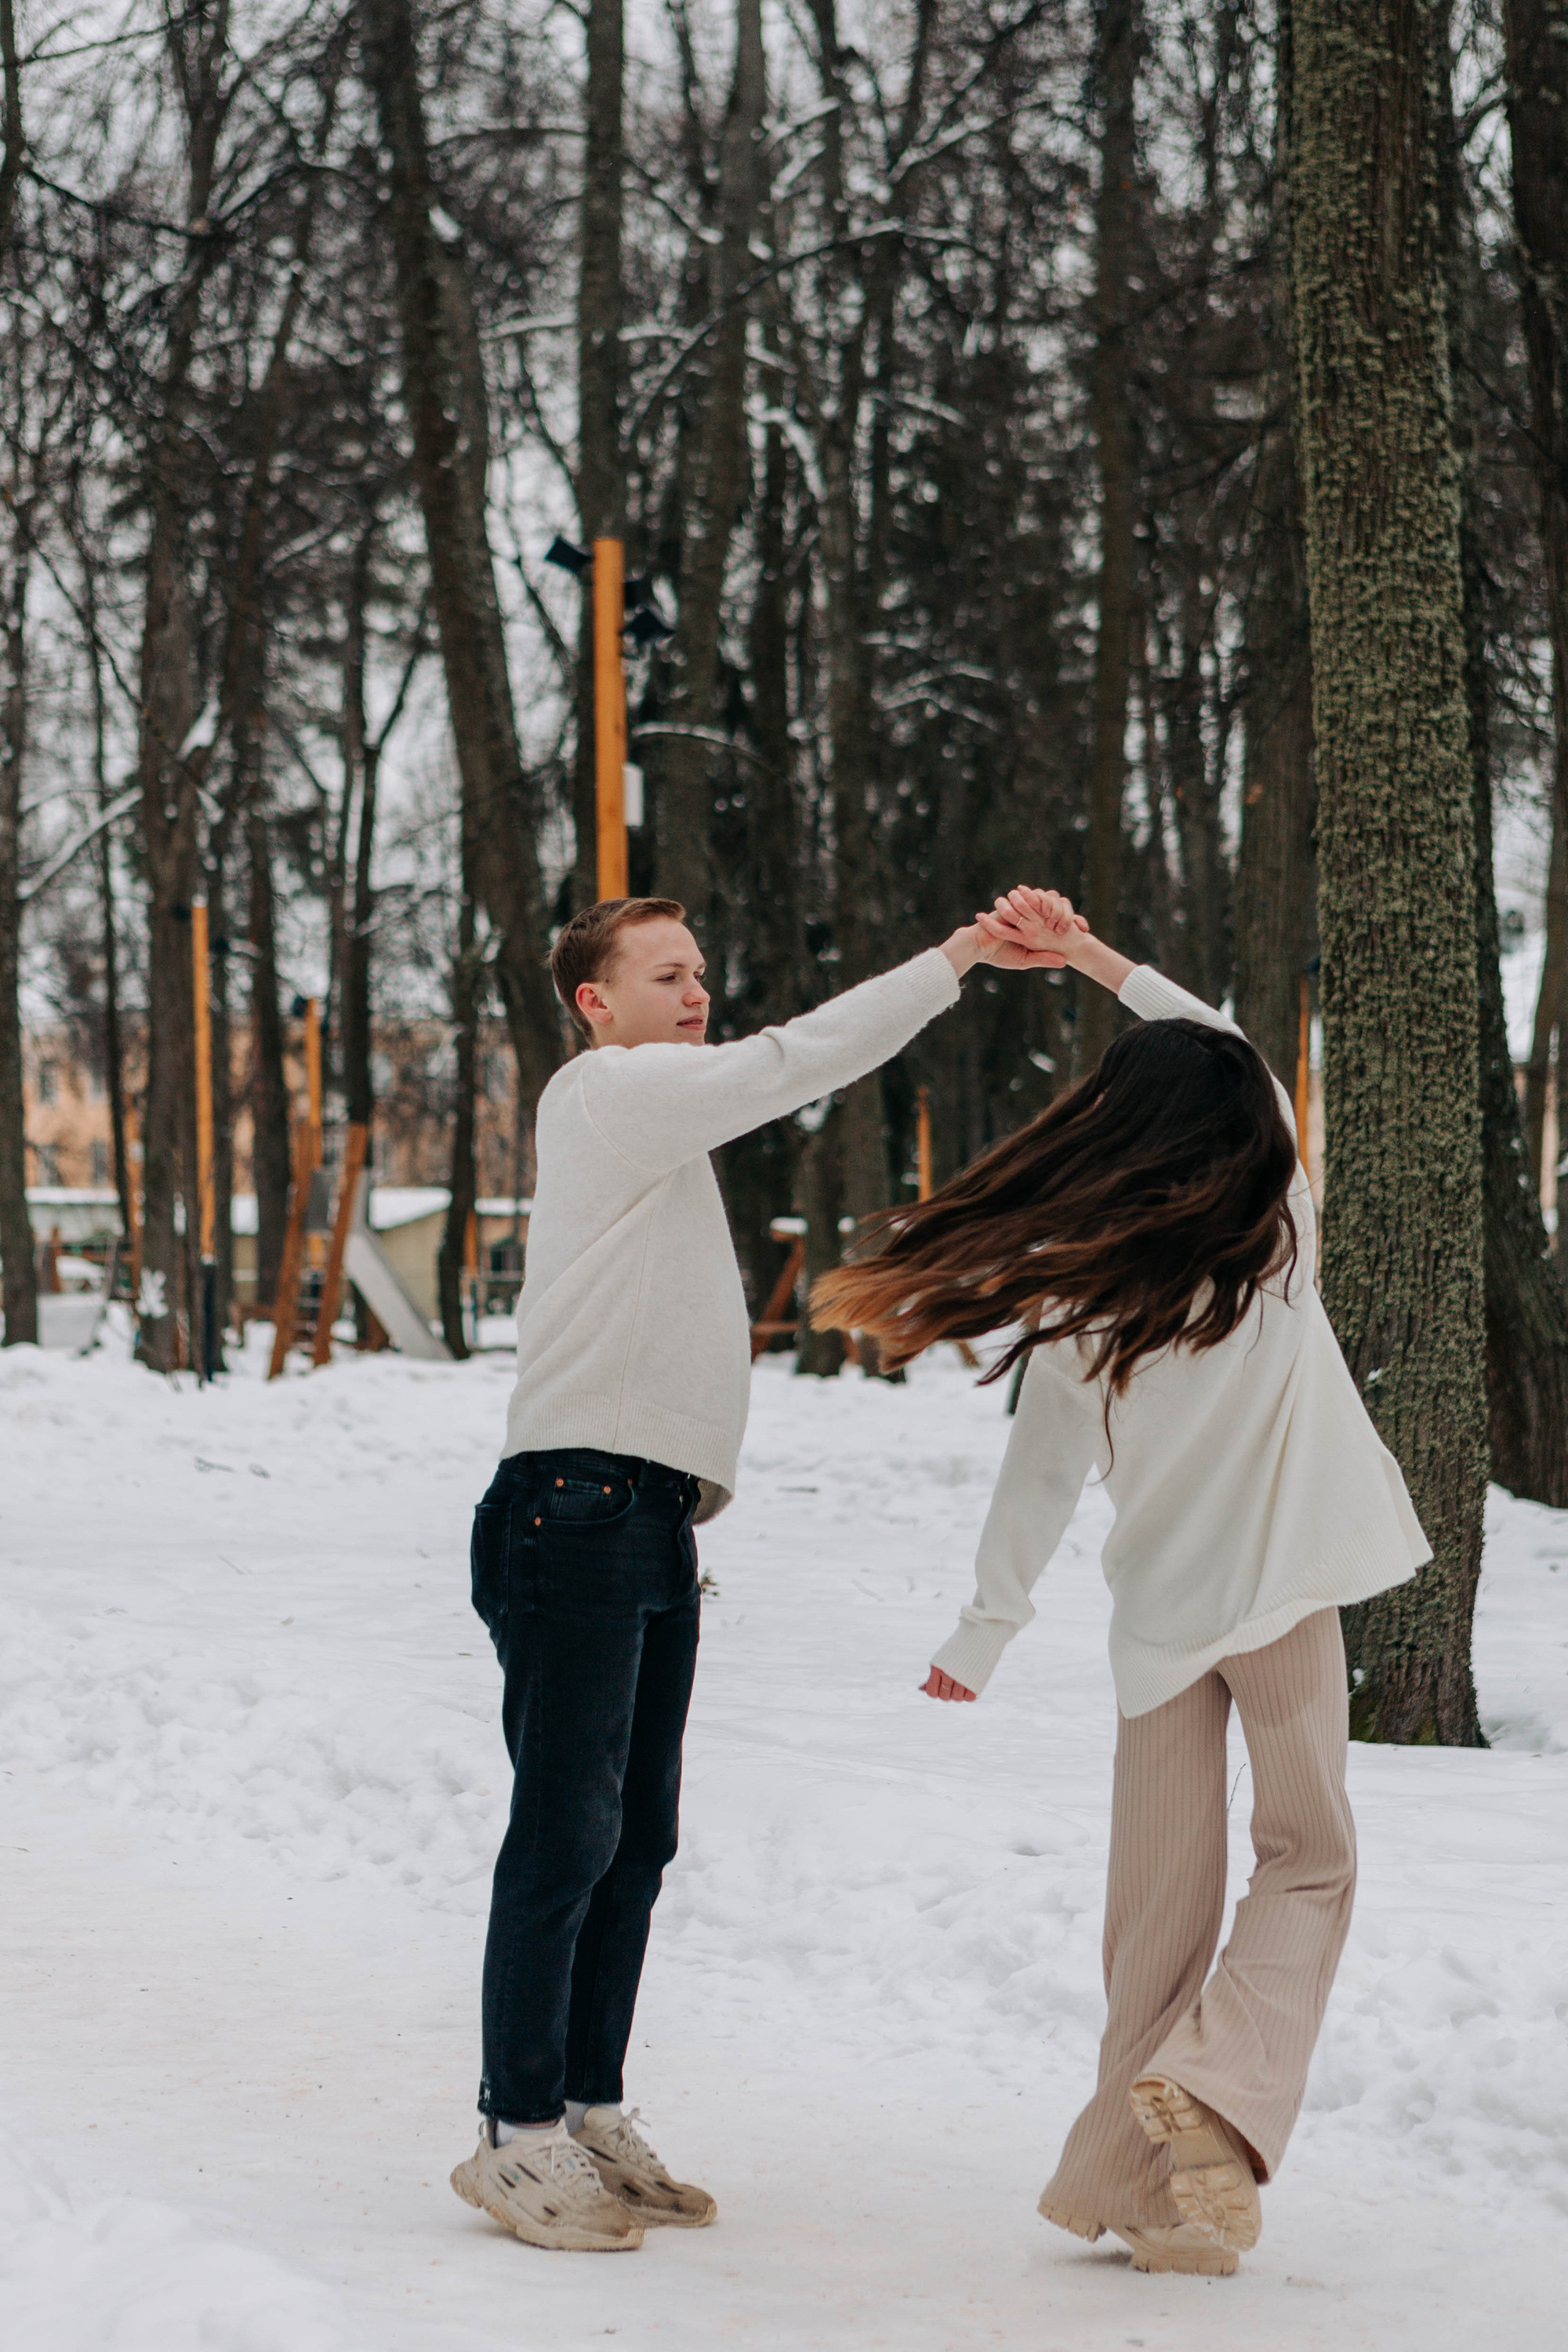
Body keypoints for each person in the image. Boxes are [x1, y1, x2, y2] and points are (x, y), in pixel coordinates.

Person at [811, 886, 1430, 2279]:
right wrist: (1095, 958)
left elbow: (1035, 1485)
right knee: (1310, 1855)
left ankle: (1145, 2197)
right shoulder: (1281, 1240)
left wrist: (984, 1631)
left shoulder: (1080, 1295)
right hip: (1279, 1604)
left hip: (1158, 1625)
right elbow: (1240, 1058)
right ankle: (1213, 2093)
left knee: (1156, 1913)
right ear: (1241, 1136)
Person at [452, 891, 1064, 2252]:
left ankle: (589, 2105)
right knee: (567, 1833)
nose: (697, 990)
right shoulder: (608, 1089)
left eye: (702, 971)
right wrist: (957, 953)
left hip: (646, 1517)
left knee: (636, 1839)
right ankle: (516, 2132)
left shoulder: (659, 1127)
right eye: (665, 973)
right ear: (596, 1002)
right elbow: (799, 1060)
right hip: (574, 1507)